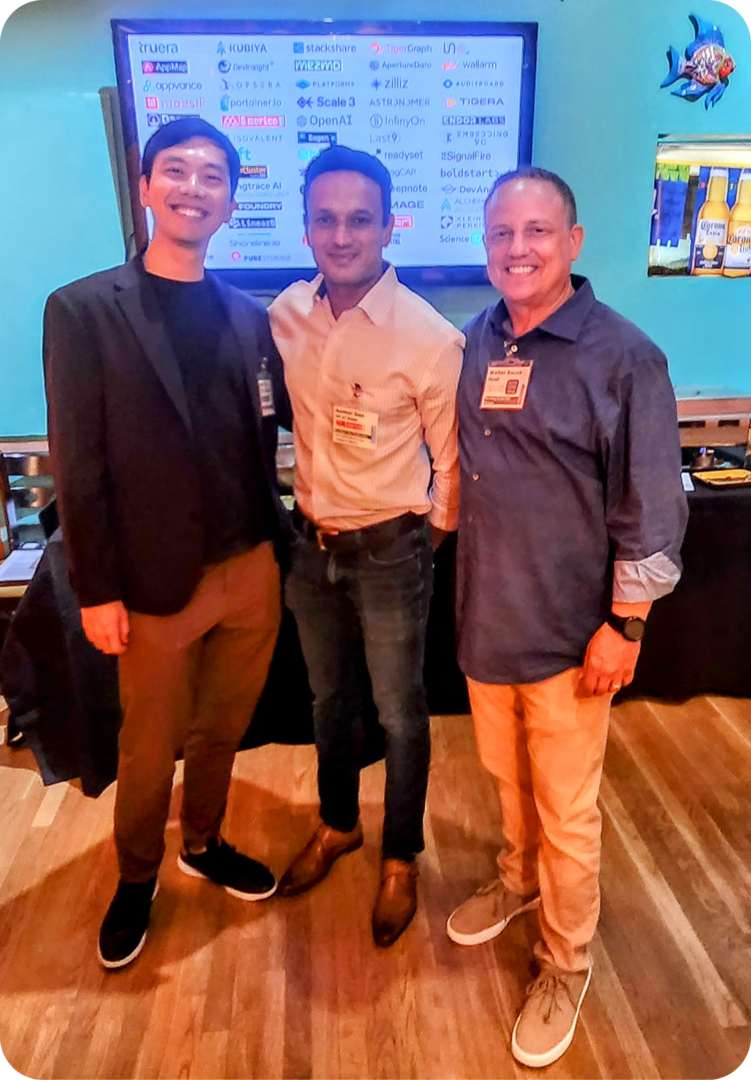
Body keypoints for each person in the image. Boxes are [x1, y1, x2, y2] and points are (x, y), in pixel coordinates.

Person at [447, 167, 687, 1066]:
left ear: (573, 242)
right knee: (506, 784)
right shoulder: (477, 339)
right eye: (502, 232)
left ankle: (565, 961)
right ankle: (516, 881)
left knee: (568, 810)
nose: (518, 248)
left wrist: (623, 627)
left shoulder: (624, 357)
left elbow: (652, 507)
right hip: (487, 623)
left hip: (572, 636)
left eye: (538, 231)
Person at [44, 118, 292, 969]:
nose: (194, 186)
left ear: (229, 199)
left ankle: (206, 840)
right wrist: (97, 590)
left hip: (250, 569)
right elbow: (78, 465)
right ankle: (137, 876)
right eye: (176, 171)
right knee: (148, 745)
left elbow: (262, 433)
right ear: (146, 187)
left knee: (222, 729)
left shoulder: (247, 316)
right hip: (151, 586)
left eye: (212, 175)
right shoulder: (83, 310)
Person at [269, 146, 464, 946]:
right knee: (328, 702)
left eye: (358, 219)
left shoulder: (428, 337)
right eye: (324, 218)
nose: (340, 235)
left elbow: (449, 470)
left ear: (389, 226)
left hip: (390, 549)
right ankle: (339, 822)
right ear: (306, 226)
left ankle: (401, 853)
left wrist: (413, 541)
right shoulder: (284, 314)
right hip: (308, 548)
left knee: (398, 711)